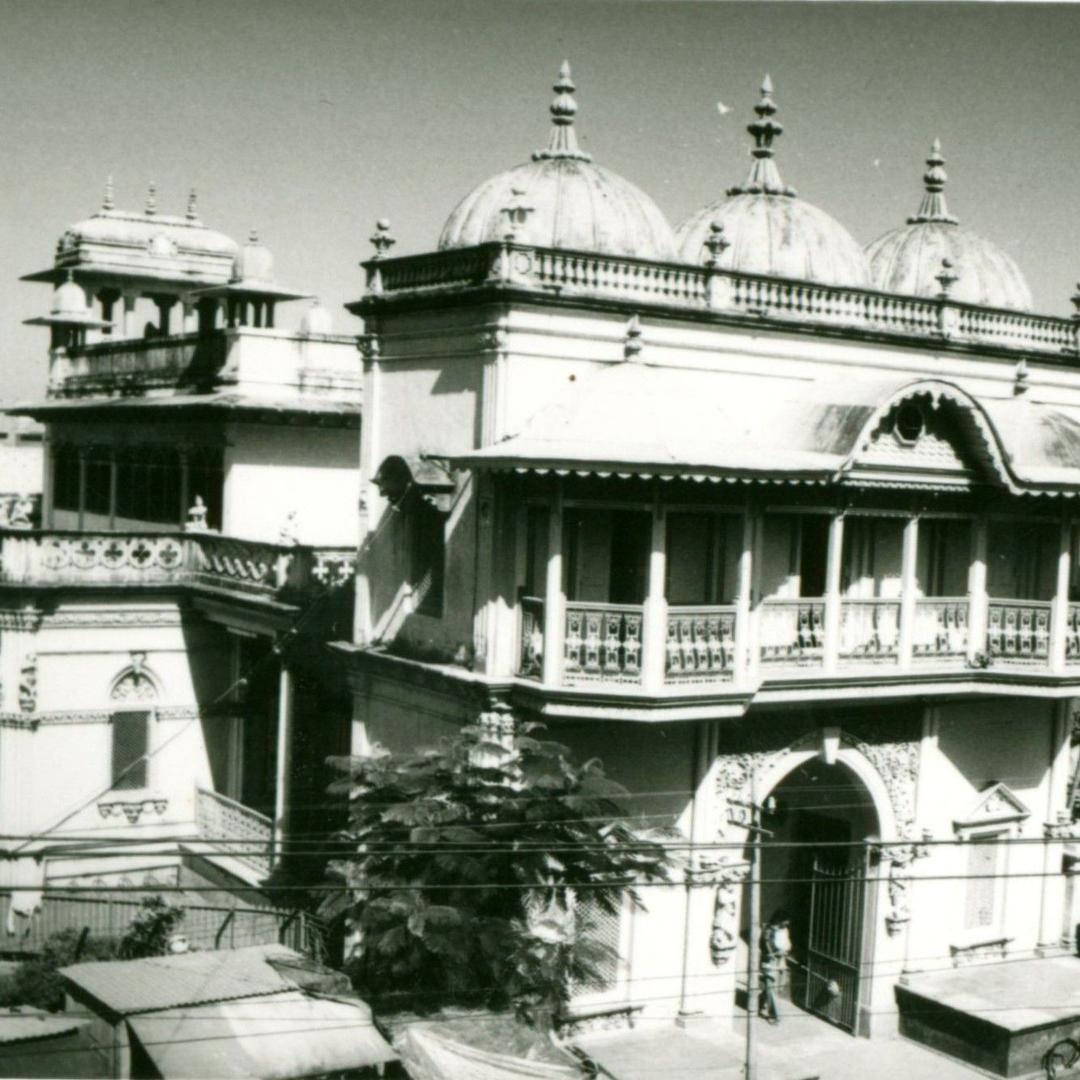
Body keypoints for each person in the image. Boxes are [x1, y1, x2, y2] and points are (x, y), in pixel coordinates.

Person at [759, 912, 792, 1025]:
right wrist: (776, 953)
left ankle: (759, 1003)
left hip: (780, 961)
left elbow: (787, 944)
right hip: (769, 962)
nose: (786, 924)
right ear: (779, 920)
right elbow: (766, 946)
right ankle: (773, 1015)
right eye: (785, 922)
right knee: (771, 988)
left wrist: (785, 951)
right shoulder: (768, 931)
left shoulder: (783, 930)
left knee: (773, 987)